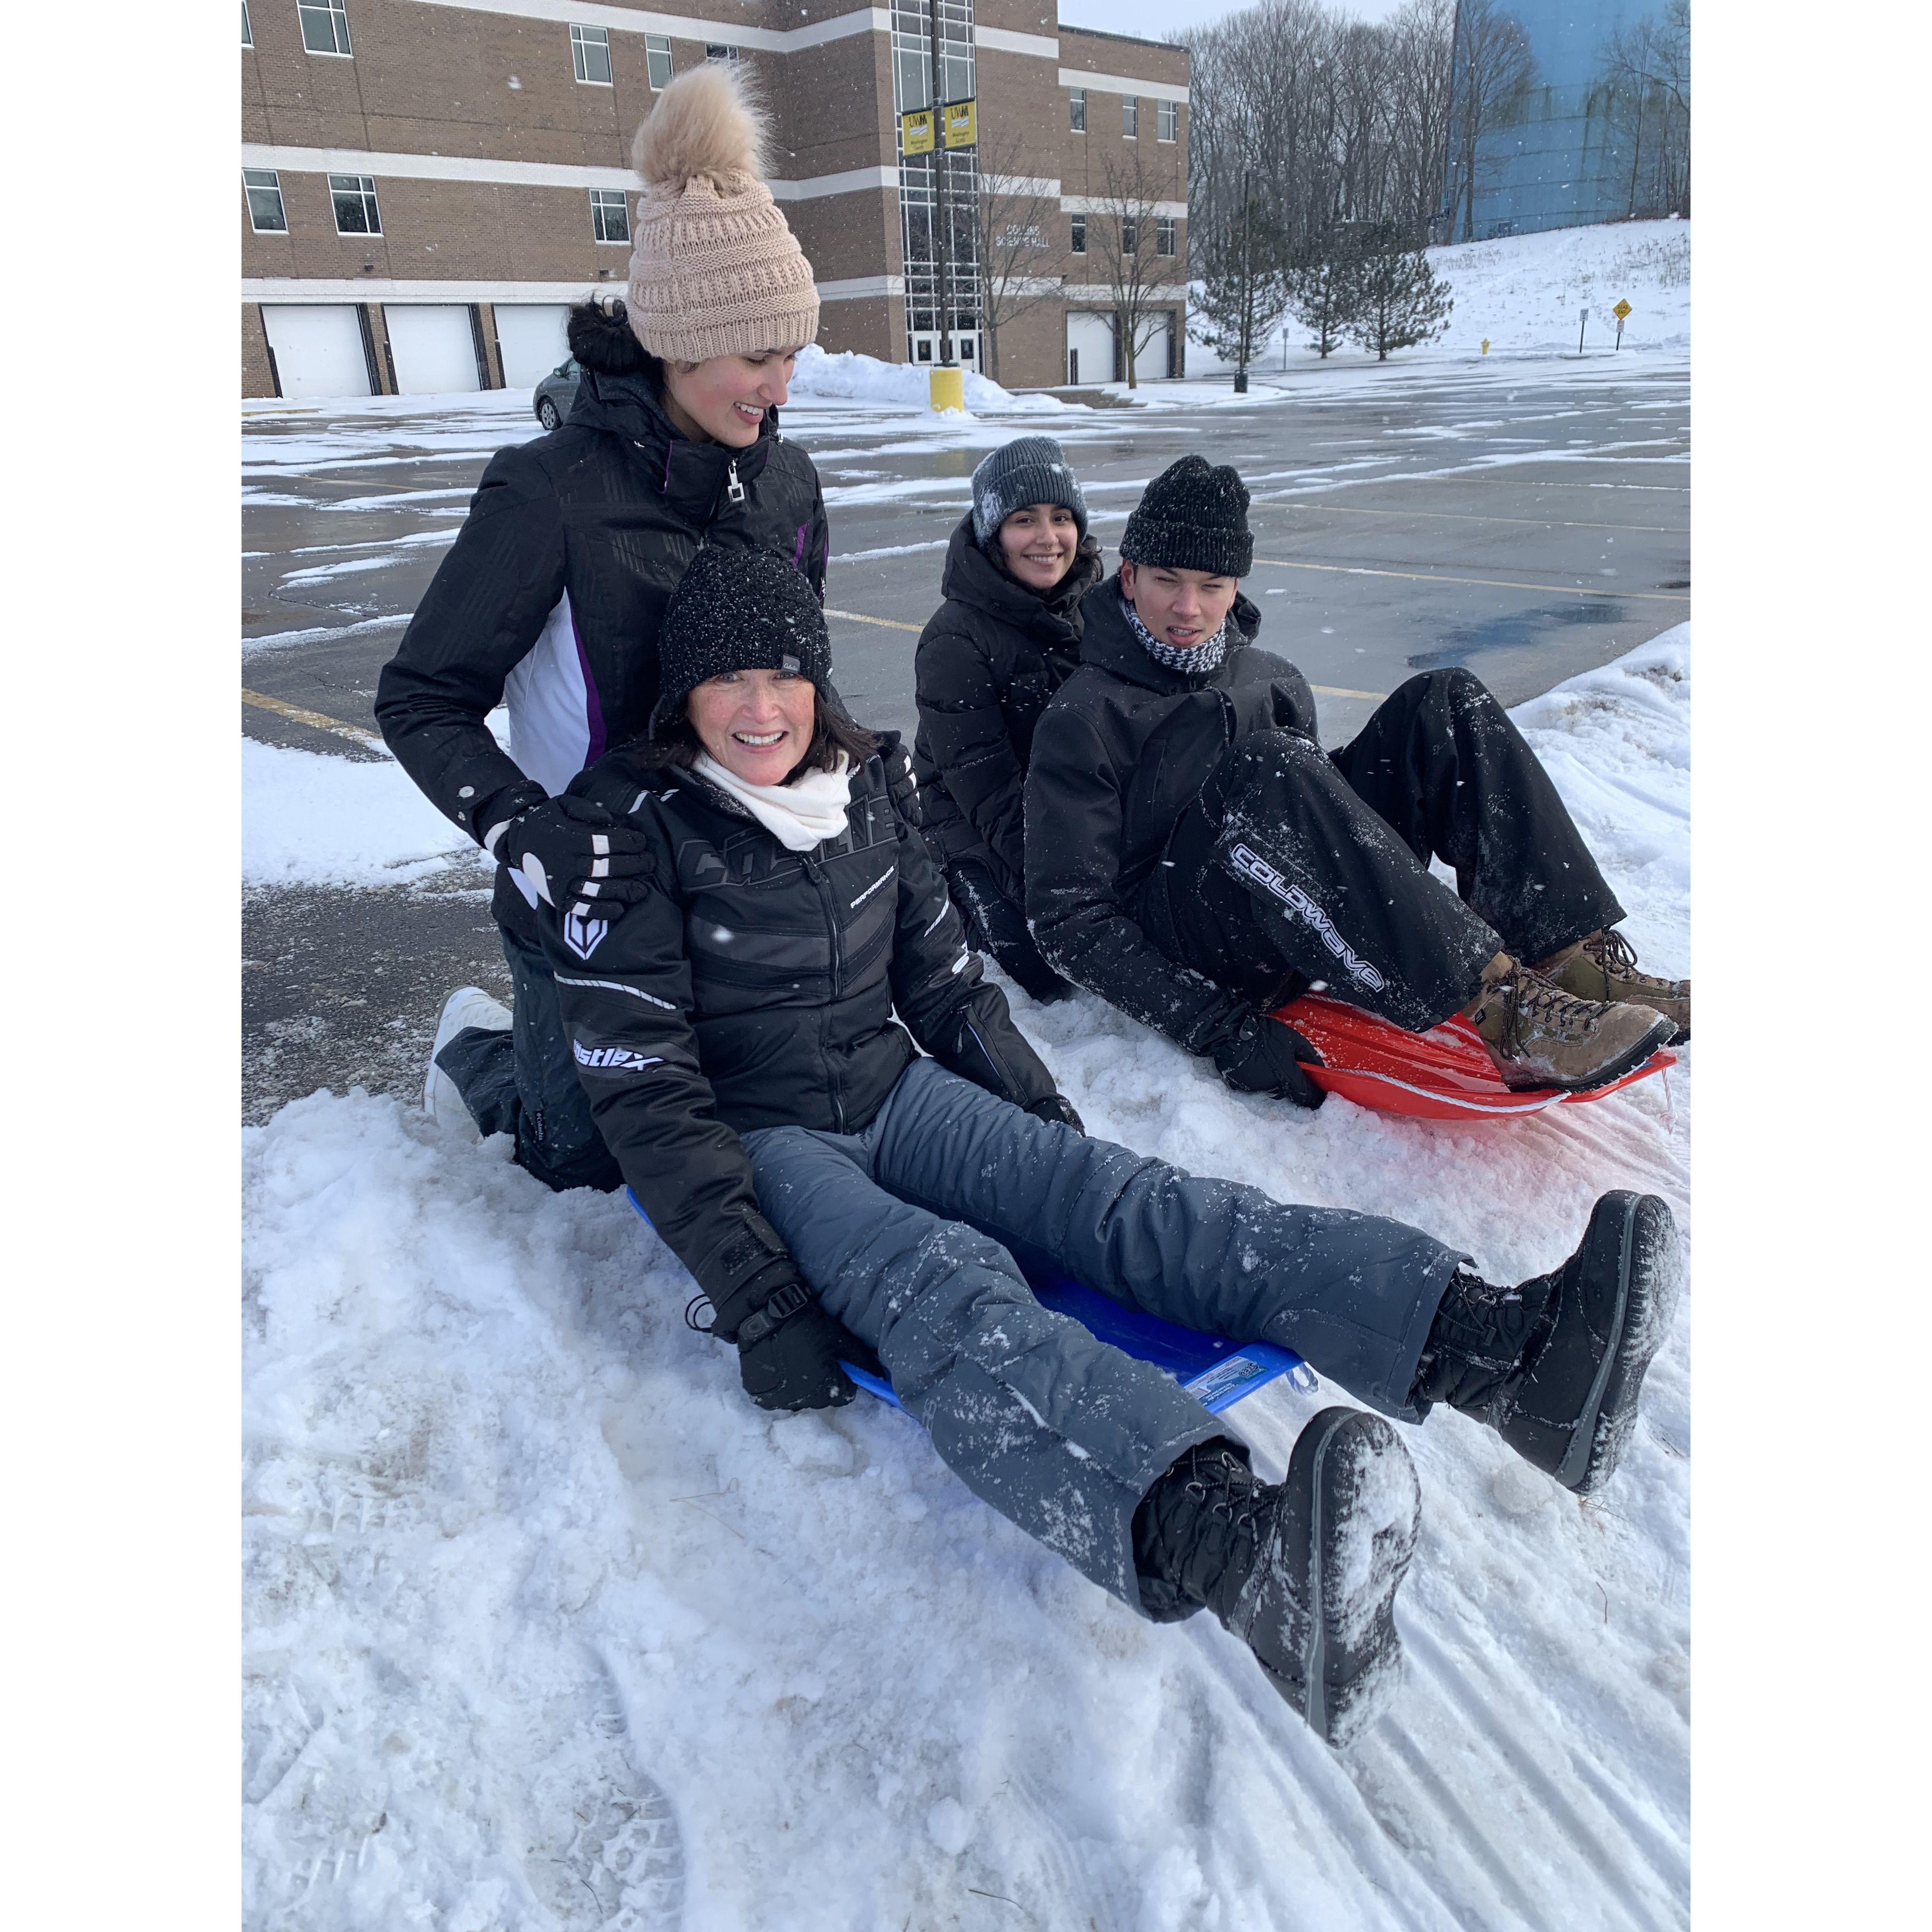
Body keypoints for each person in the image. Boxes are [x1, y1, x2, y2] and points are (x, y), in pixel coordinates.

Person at [506, 540, 1681, 1749]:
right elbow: (652, 1094)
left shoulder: (860, 792)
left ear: (818, 682)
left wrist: (1040, 1120)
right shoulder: (629, 840)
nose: (761, 710)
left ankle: (1500, 1353)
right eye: (727, 680)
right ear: (684, 697)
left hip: (896, 1091)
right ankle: (1233, 1548)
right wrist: (761, 1297)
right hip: (762, 1140)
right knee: (944, 1290)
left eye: (783, 676)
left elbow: (944, 985)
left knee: (1122, 1203)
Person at [374, 62, 906, 1189]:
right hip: (591, 883)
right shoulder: (548, 492)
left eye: (793, 354)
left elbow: (796, 674)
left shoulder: (788, 483)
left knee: (729, 1142)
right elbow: (420, 699)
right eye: (758, 356)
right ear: (679, 341)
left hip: (736, 881)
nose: (783, 385)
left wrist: (860, 766)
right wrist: (527, 833)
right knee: (582, 1169)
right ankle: (480, 1054)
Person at [1024, 455, 1691, 1108]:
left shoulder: (1270, 678)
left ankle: (1572, 960)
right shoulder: (1084, 716)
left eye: (1213, 585)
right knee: (1272, 763)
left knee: (1444, 703)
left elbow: (1318, 813)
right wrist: (1221, 1030)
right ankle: (1508, 1012)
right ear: (1129, 576)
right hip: (1196, 941)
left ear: (1237, 586)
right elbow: (1067, 922)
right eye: (1167, 580)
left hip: (1287, 908)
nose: (1188, 607)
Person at [910, 436, 1104, 1002]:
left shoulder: (1101, 609)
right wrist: (1060, 889)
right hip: (973, 819)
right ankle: (944, 888)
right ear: (994, 531)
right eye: (1025, 520)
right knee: (1041, 965)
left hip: (1073, 807)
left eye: (1061, 518)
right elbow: (988, 790)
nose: (1048, 538)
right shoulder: (955, 639)